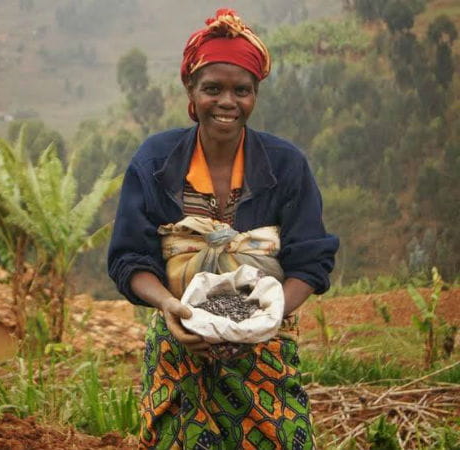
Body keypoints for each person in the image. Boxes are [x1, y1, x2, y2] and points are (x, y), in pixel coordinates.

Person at [108, 8, 339, 450]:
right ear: (191, 93)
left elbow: (311, 259)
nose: (227, 102)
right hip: (181, 346)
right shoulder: (156, 163)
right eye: (212, 89)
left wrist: (265, 322)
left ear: (255, 96)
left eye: (242, 90)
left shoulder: (286, 165)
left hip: (266, 348)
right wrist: (172, 309)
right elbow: (128, 258)